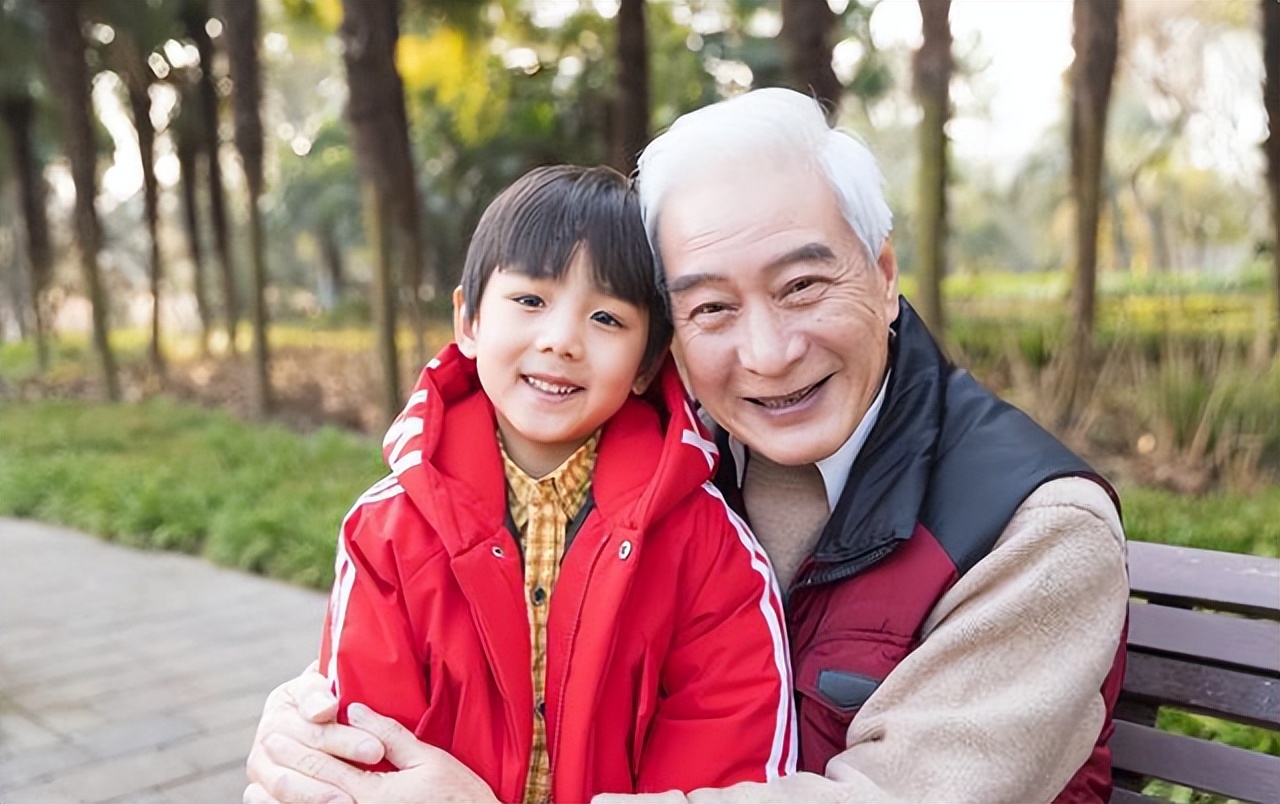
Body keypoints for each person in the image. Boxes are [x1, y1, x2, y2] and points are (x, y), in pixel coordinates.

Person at [244, 89, 1128, 804]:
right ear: (669, 341)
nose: (769, 353)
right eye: (710, 307)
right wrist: (311, 722)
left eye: (803, 284)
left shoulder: (1036, 532)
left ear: (885, 276)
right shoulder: (677, 456)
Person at [291, 164, 796, 804]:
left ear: (648, 362)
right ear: (469, 321)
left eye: (607, 319)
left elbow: (729, 758)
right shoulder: (387, 531)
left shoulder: (708, 545)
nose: (561, 341)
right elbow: (366, 749)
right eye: (530, 301)